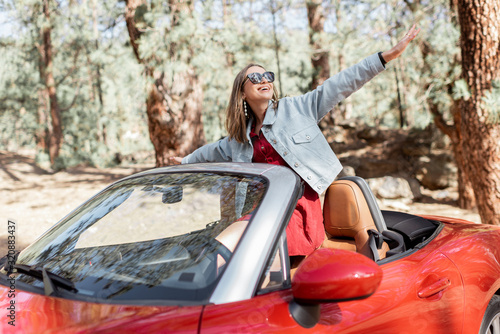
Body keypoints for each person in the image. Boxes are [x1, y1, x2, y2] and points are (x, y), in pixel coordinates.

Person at [178, 25, 420, 264]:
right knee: (222, 253)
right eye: (255, 77)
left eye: (267, 76)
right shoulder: (240, 138)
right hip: (261, 209)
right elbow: (212, 151)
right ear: (242, 92)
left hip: (296, 208)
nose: (264, 80)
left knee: (233, 249)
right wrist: (185, 162)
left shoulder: (297, 108)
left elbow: (340, 83)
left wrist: (385, 57)